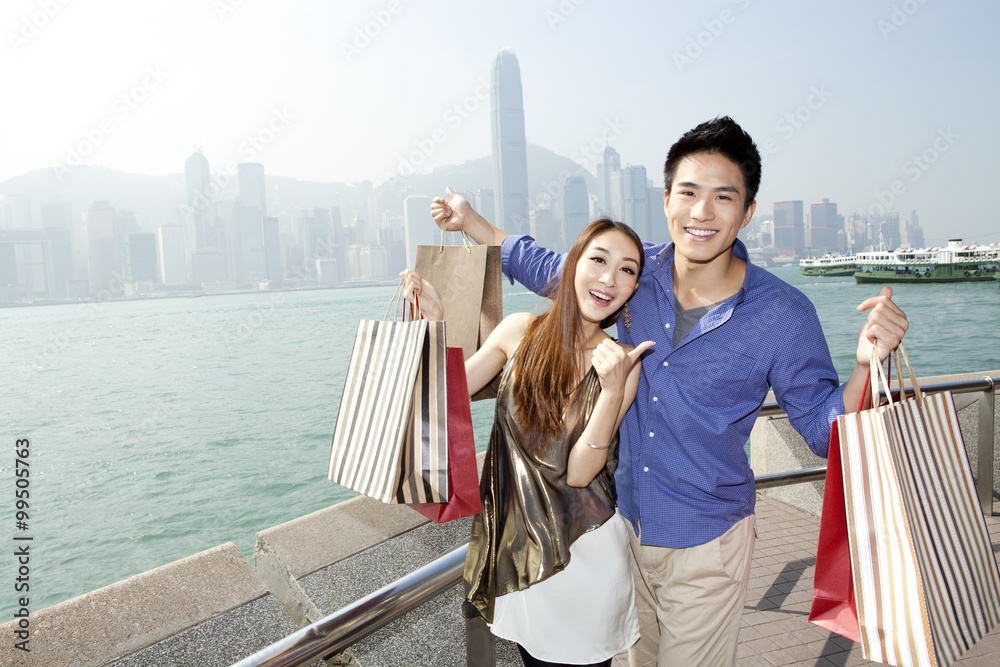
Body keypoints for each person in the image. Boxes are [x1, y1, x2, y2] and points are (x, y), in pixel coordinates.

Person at [428, 116, 910, 666]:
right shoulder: (637, 275)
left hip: (708, 546)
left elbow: (828, 435)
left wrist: (866, 365)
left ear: (747, 212)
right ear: (666, 200)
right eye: (689, 193)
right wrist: (474, 224)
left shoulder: (783, 315)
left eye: (723, 197)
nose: (702, 213)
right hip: (624, 535)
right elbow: (554, 271)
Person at [401, 219, 655, 667]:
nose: (609, 279)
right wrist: (435, 322)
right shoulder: (519, 331)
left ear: (633, 288)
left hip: (585, 554)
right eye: (599, 260)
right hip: (519, 550)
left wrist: (612, 390)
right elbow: (448, 392)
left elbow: (579, 472)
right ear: (574, 264)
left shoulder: (623, 364)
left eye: (627, 270)